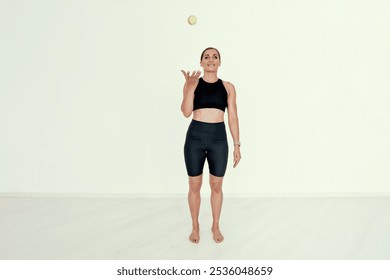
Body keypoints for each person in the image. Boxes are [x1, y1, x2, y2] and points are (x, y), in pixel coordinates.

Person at [181, 47, 241, 244]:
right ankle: (195, 226)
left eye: (215, 57)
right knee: (194, 184)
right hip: (195, 137)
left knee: (216, 185)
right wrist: (189, 88)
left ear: (220, 62)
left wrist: (237, 144)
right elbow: (186, 112)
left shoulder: (228, 87)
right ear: (201, 62)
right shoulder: (192, 83)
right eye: (206, 57)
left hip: (218, 138)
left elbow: (232, 116)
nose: (211, 60)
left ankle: (215, 225)